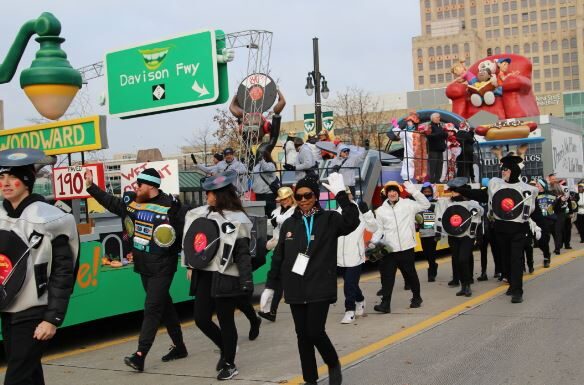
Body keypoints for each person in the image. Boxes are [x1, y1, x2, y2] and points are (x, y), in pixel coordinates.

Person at [85, 167, 188, 371]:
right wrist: (91, 187)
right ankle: (180, 347)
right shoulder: (131, 201)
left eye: (139, 184)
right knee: (164, 306)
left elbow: (188, 231)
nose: (135, 187)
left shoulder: (172, 207)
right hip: (143, 266)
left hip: (163, 266)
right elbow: (111, 202)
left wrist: (192, 262)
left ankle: (140, 355)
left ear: (150, 186)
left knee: (152, 308)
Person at [261, 173, 359, 385]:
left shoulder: (330, 219)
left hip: (319, 286)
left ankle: (333, 363)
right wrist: (270, 286)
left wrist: (341, 194)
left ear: (316, 196)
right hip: (295, 288)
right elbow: (278, 257)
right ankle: (310, 379)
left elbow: (352, 220)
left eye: (308, 195)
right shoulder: (289, 224)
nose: (304, 200)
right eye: (300, 196)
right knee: (302, 336)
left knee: (315, 332)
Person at [0, 149, 79, 385]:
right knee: (30, 375)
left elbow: (63, 274)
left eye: (12, 177)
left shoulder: (51, 219)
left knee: (16, 378)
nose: (5, 183)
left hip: (35, 312)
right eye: (1, 177)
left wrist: (52, 319)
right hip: (8, 309)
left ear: (27, 182)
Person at [183, 171, 254, 380]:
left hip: (226, 274)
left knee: (226, 320)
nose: (207, 197)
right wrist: (191, 264)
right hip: (204, 274)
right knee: (201, 319)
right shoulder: (201, 213)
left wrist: (246, 280)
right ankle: (226, 348)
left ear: (221, 194)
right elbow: (194, 239)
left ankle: (230, 363)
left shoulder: (238, 219)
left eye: (210, 193)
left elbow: (242, 253)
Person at [460, 155, 543, 303]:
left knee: (516, 260)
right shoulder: (496, 185)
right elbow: (481, 195)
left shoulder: (527, 190)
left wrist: (541, 229)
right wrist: (461, 190)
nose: (503, 172)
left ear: (513, 171)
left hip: (519, 230)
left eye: (506, 169)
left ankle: (518, 291)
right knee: (506, 261)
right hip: (500, 229)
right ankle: (512, 284)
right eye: (502, 169)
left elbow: (536, 213)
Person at [371, 181, 430, 313]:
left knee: (410, 274)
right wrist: (373, 242)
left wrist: (414, 192)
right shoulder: (380, 211)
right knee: (387, 277)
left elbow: (426, 204)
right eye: (389, 191)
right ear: (386, 194)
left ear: (398, 192)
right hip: (389, 249)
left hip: (406, 247)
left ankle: (417, 298)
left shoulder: (408, 204)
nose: (392, 193)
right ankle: (385, 304)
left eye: (394, 191)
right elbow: (378, 230)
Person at [436, 177, 483, 297]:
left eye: (455, 191)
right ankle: (463, 286)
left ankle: (467, 285)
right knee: (457, 260)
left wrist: (475, 211)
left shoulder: (471, 203)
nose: (453, 194)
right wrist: (439, 231)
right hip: (453, 236)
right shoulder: (448, 203)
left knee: (463, 259)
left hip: (467, 236)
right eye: (452, 191)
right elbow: (441, 216)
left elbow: (480, 211)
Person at [337, 190, 378, 324]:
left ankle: (350, 311)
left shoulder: (359, 211)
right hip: (339, 257)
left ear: (351, 195)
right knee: (352, 284)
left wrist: (367, 213)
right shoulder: (336, 213)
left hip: (355, 255)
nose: (346, 197)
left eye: (348, 194)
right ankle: (360, 300)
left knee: (349, 284)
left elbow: (373, 228)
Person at [260, 187, 297, 322]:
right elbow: (270, 226)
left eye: (286, 198)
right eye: (281, 199)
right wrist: (272, 222)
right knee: (277, 279)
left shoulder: (296, 210)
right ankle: (271, 311)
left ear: (291, 198)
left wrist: (276, 220)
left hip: (291, 249)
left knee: (284, 280)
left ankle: (272, 310)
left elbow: (289, 221)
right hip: (278, 248)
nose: (284, 201)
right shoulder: (276, 211)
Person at [417, 182, 439, 282]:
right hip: (423, 232)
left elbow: (439, 217)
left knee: (431, 253)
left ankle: (431, 273)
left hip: (433, 232)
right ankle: (434, 264)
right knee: (426, 253)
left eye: (429, 191)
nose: (427, 193)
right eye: (425, 192)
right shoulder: (419, 204)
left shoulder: (435, 202)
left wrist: (439, 231)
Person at [535, 178, 557, 268]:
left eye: (538, 185)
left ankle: (546, 258)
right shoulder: (534, 195)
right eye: (536, 185)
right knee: (539, 242)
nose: (536, 186)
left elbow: (552, 208)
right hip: (536, 221)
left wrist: (547, 210)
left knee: (544, 240)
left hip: (547, 221)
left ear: (543, 185)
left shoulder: (550, 195)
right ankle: (546, 253)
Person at [251, 150, 278, 216]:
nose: (259, 158)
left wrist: (262, 161)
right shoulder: (257, 166)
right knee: (260, 216)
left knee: (270, 214)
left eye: (261, 156)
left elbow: (266, 169)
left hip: (268, 194)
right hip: (258, 194)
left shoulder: (271, 164)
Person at [426, 112, 448, 183]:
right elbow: (429, 135)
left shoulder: (440, 126)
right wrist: (440, 134)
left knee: (439, 165)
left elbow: (443, 134)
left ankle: (438, 179)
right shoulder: (430, 126)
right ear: (433, 118)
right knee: (433, 165)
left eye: (439, 117)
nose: (439, 118)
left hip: (440, 149)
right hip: (433, 149)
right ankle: (432, 180)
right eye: (437, 117)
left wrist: (444, 134)